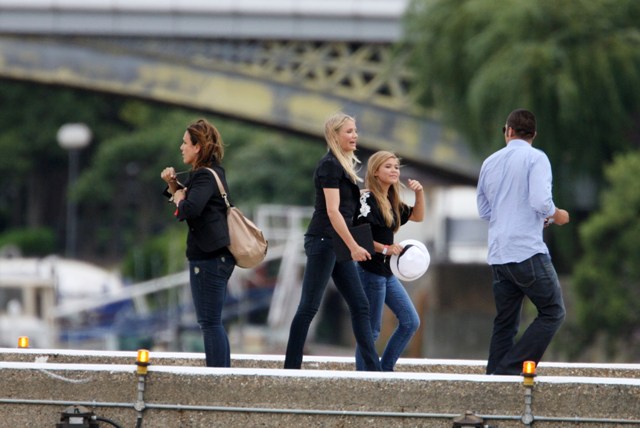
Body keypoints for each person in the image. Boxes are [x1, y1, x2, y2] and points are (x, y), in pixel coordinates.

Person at [284, 112, 381, 371]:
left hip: (336, 241)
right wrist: (354, 246)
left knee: (360, 305)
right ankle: (290, 369)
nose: (355, 135)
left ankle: (373, 370)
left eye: (355, 131)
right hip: (324, 240)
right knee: (309, 307)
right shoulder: (329, 165)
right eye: (349, 131)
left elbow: (345, 205)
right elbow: (332, 211)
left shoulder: (343, 166)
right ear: (334, 135)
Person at [476, 108, 569, 375]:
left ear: (508, 131)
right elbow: (541, 202)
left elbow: (484, 211)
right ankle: (510, 369)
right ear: (534, 135)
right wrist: (558, 215)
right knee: (553, 311)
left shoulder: (490, 162)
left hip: (498, 254)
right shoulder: (536, 158)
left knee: (505, 322)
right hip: (526, 251)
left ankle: (494, 380)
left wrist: (512, 214)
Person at [160, 118, 235, 367]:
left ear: (198, 147)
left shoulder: (204, 175)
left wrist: (179, 197)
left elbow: (189, 209)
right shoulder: (209, 173)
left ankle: (217, 377)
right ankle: (222, 374)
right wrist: (173, 186)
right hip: (215, 256)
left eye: (185, 143)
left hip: (209, 258)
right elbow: (188, 201)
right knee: (213, 322)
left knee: (209, 322)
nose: (181, 147)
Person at [353, 151, 424, 371]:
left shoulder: (391, 201)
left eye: (396, 167)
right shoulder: (367, 199)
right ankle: (364, 377)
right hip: (369, 271)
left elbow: (418, 216)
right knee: (371, 331)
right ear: (375, 171)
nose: (394, 170)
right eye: (388, 166)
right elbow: (359, 235)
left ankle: (385, 370)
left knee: (410, 322)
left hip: (387, 272)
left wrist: (419, 193)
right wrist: (386, 248)